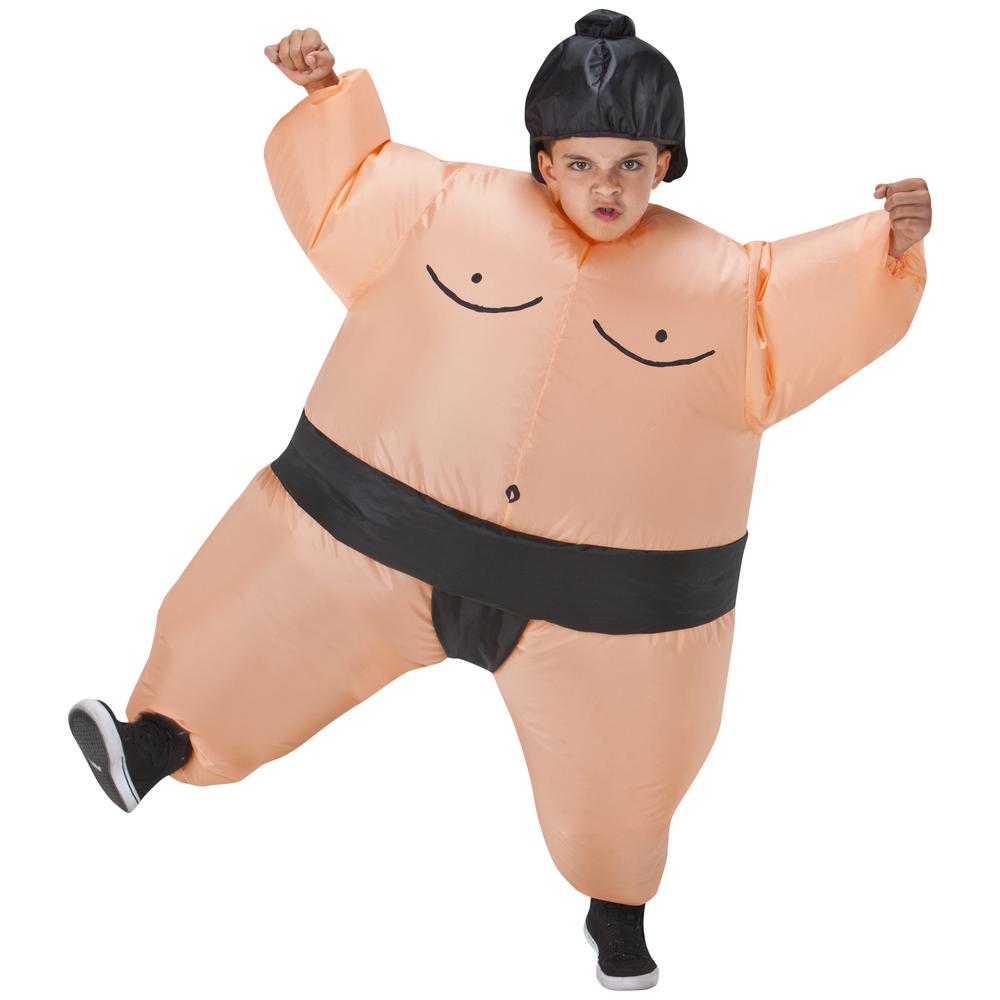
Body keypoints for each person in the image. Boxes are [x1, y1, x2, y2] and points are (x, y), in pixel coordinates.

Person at [68, 10, 931, 992]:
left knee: (622, 777)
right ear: (543, 160)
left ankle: (617, 908)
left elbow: (825, 301)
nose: (606, 188)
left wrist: (888, 242)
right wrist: (324, 96)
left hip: (604, 613)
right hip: (369, 535)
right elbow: (346, 187)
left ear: (665, 166)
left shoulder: (732, 291)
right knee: (252, 623)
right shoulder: (444, 210)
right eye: (582, 163)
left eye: (632, 165)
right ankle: (157, 740)